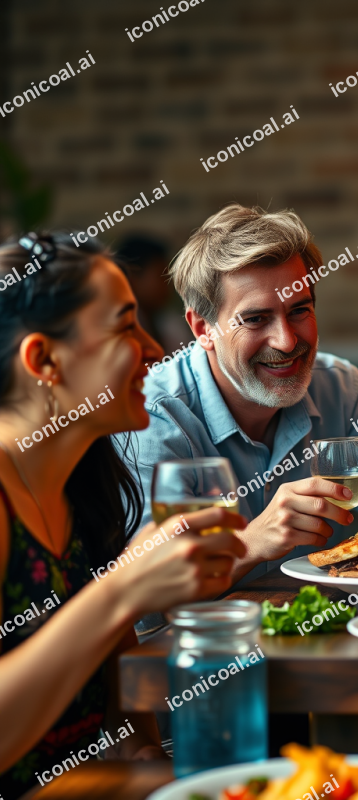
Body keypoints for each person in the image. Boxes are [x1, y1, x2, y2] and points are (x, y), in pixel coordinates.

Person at [0, 233, 246, 799]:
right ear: (44, 360)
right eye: (125, 327)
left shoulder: (83, 486)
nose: (155, 349)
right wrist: (121, 590)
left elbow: (119, 707)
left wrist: (141, 752)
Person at [117, 205, 358, 587]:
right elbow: (145, 586)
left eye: (299, 311)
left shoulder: (338, 386)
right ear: (203, 329)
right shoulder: (153, 413)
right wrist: (252, 543)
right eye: (255, 319)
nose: (286, 341)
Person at [114, 233, 188, 354]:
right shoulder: (114, 329)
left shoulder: (170, 325)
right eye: (160, 276)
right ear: (133, 277)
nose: (168, 285)